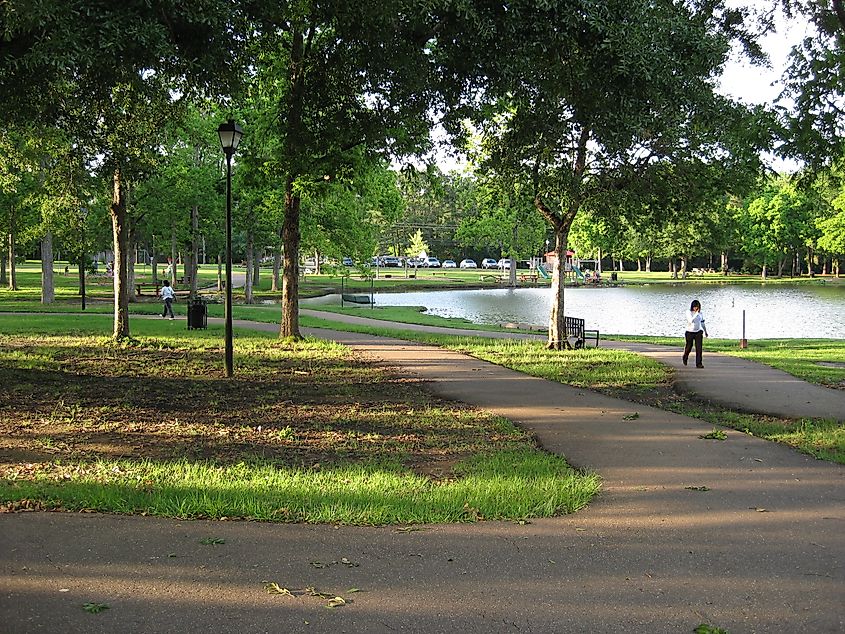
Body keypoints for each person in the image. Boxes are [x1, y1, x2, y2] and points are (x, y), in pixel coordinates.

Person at [682, 299, 708, 368]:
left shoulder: (701, 314)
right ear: (692, 307)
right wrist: (696, 313)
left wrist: (705, 331)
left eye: (697, 307)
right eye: (694, 307)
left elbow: (702, 323)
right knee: (689, 347)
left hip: (698, 332)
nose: (696, 308)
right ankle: (685, 356)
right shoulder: (688, 312)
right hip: (689, 332)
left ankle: (699, 363)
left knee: (699, 348)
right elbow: (690, 321)